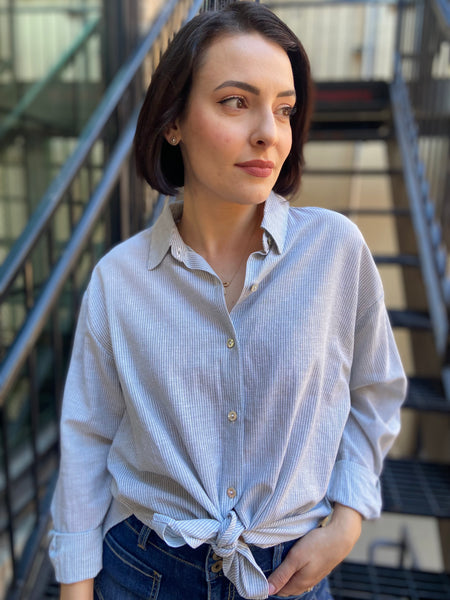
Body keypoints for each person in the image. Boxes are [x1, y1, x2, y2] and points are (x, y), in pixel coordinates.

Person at [49, 2, 407, 599]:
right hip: (144, 572)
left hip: (289, 575)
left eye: (285, 109)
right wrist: (75, 588)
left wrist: (347, 519)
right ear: (173, 122)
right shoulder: (120, 279)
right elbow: (87, 435)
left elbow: (375, 391)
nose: (269, 131)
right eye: (236, 102)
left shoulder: (336, 251)